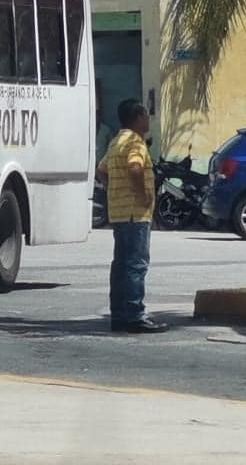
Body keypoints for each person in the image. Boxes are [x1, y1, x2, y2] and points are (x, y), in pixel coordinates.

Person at [98, 100, 169, 333]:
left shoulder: (116, 141)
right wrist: (143, 195)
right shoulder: (135, 142)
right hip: (135, 214)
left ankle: (118, 314)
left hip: (118, 212)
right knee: (136, 264)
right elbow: (135, 168)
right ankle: (135, 315)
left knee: (120, 265)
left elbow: (102, 170)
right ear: (137, 117)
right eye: (145, 115)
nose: (148, 120)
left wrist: (114, 191)